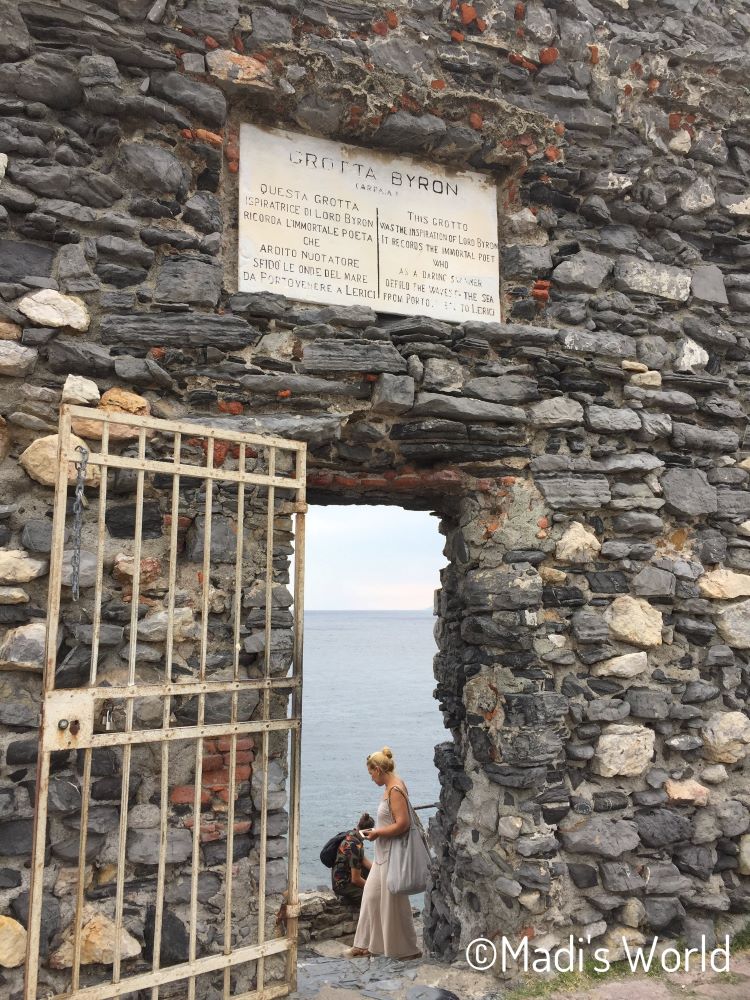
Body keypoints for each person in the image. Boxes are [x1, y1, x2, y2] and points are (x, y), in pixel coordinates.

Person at [348, 746, 420, 960]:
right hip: (383, 855)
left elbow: (403, 824)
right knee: (371, 897)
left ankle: (404, 949)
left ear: (378, 770)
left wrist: (378, 832)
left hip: (390, 854)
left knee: (393, 904)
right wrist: (378, 831)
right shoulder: (392, 786)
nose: (371, 777)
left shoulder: (395, 790)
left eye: (371, 773)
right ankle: (365, 944)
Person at [332, 812, 375, 903]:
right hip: (341, 884)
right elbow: (355, 880)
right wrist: (374, 888)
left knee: (372, 873)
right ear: (369, 831)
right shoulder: (355, 846)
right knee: (373, 897)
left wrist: (378, 872)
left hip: (339, 877)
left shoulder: (351, 835)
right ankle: (346, 899)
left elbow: (362, 859)